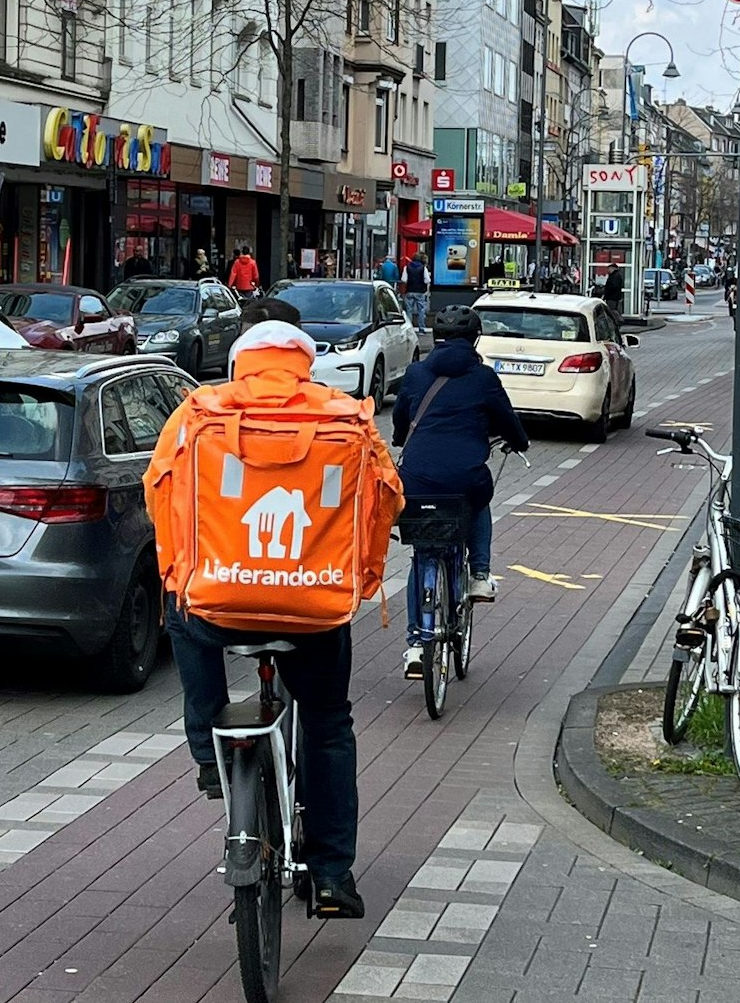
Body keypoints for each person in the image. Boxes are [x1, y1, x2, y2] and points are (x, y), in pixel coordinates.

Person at [150, 295, 399, 920]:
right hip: (314, 611)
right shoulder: (346, 417)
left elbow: (160, 494)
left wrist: (179, 576)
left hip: (219, 601)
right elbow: (385, 501)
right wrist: (361, 583)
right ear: (305, 365)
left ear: (239, 363)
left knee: (182, 616)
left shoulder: (197, 412)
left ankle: (211, 756)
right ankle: (334, 874)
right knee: (327, 721)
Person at [391, 305, 530, 678]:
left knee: (423, 557)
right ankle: (480, 574)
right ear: (475, 340)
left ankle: (417, 645)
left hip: (417, 479)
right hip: (465, 477)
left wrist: (402, 437)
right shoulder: (483, 377)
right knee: (479, 499)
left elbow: (401, 420)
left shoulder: (417, 373)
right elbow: (507, 419)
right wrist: (519, 442)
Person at [402, 252, 431, 327]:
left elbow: (404, 279)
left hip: (409, 291)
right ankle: (421, 328)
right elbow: (427, 280)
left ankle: (409, 327)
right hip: (420, 292)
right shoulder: (423, 268)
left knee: (409, 310)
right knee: (421, 310)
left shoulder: (407, 267)